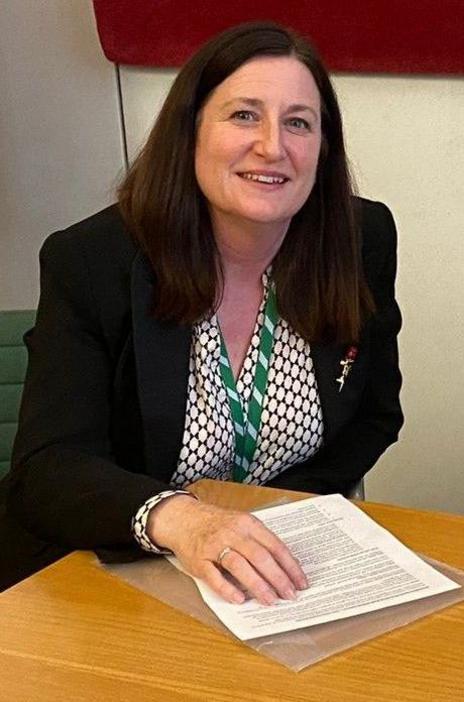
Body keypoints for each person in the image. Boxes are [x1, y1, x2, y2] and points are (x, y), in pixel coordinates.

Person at [0, 23, 403, 604]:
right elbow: (48, 468)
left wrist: (274, 522)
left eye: (298, 122)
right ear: (189, 133)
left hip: (264, 581)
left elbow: (373, 416)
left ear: (323, 147)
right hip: (99, 576)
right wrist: (184, 522)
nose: (272, 146)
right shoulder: (93, 262)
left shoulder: (360, 238)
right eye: (243, 115)